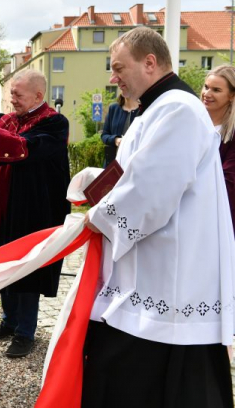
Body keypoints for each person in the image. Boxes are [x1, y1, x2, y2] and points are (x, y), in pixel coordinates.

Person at [83, 27, 235, 407]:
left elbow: (150, 193)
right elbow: (129, 173)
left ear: (150, 62)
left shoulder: (178, 109)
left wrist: (95, 221)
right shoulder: (155, 110)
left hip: (168, 280)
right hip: (148, 270)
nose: (112, 78)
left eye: (119, 67)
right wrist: (89, 184)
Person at [0, 68, 70, 358]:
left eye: (18, 95)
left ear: (38, 95)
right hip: (0, 204)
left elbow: (26, 148)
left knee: (27, 266)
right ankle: (9, 320)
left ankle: (25, 332)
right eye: (11, 95)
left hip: (34, 209)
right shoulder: (5, 121)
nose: (13, 101)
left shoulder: (55, 123)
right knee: (1, 261)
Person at [202, 64, 235, 238]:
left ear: (231, 96)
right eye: (206, 87)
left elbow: (228, 182)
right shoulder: (194, 125)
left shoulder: (232, 134)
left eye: (216, 90)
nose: (207, 94)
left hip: (222, 219)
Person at [100, 93, 138, 166]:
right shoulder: (113, 108)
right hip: (113, 162)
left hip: (134, 162)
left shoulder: (143, 109)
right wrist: (116, 140)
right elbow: (104, 135)